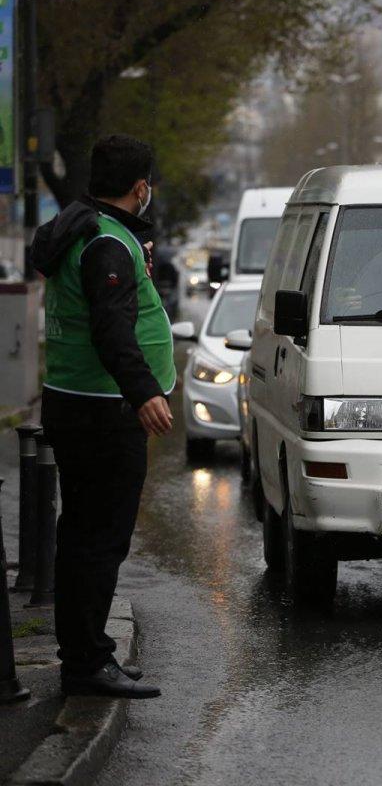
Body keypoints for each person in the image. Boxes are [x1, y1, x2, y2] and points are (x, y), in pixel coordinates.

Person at [31, 134, 173, 699]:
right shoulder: (107, 243)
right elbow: (111, 329)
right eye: (148, 185)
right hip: (102, 410)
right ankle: (87, 663)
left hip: (78, 402)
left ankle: (88, 653)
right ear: (140, 187)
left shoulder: (86, 229)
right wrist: (143, 393)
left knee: (83, 536)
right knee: (98, 541)